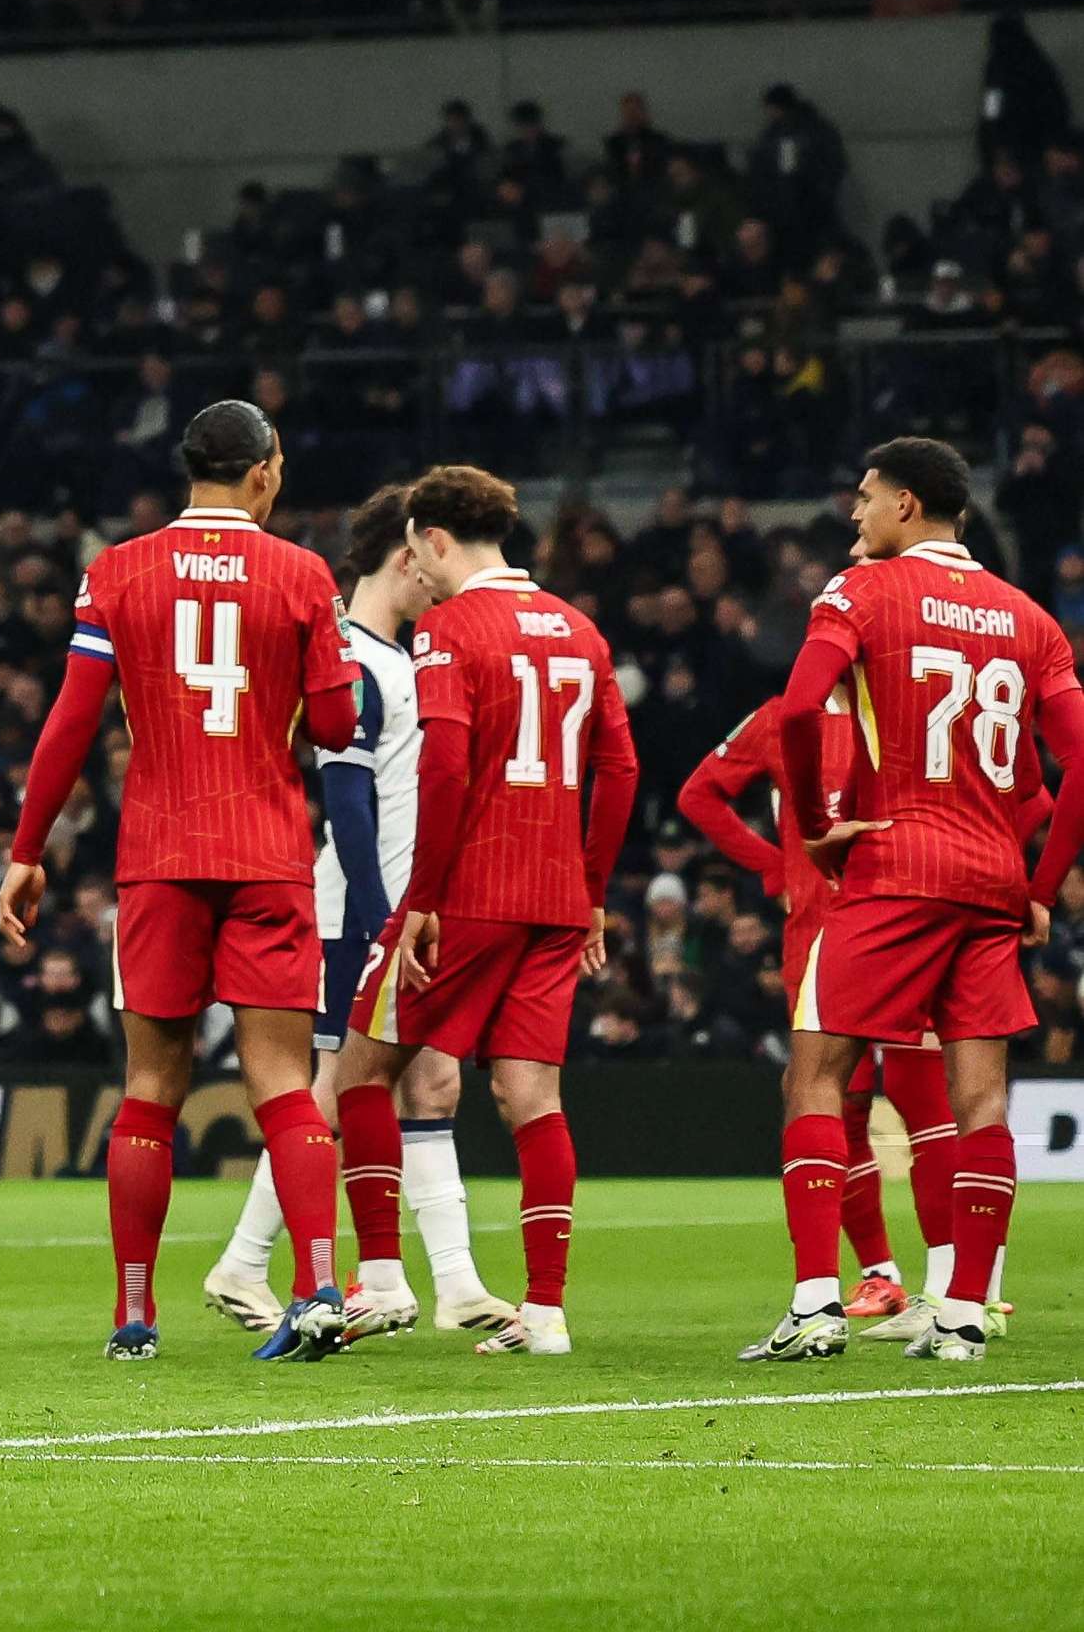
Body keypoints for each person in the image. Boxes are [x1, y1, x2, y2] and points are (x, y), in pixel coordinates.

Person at [0, 399, 359, 1362]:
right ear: (265, 471)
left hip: (157, 856)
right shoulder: (303, 574)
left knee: (151, 1085)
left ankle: (133, 1316)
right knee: (282, 1080)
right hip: (268, 852)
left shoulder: (116, 573)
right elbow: (332, 724)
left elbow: (71, 721)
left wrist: (28, 848)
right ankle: (321, 1285)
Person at [761, 440, 1084, 1367]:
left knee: (815, 1076)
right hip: (988, 884)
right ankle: (967, 1312)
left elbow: (796, 709)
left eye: (863, 499)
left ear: (907, 504)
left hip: (892, 869)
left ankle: (819, 1302)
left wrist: (822, 822)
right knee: (981, 1101)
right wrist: (1036, 884)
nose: (853, 515)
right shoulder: (1029, 618)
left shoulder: (858, 592)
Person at [199, 483, 504, 1343]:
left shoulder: (398, 658)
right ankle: (253, 1262)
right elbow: (348, 800)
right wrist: (378, 917)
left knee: (428, 1082)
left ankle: (455, 1283)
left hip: (403, 910)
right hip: (358, 915)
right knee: (331, 1091)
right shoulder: (355, 659)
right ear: (409, 556)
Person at [365, 464, 632, 1358]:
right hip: (556, 898)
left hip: (472, 892)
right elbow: (621, 770)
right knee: (533, 1097)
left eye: (415, 551)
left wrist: (423, 898)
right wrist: (592, 890)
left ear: (436, 538)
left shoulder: (448, 630)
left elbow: (443, 767)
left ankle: (376, 1283)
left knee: (362, 1069)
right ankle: (545, 1313)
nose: (417, 572)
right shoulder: (581, 631)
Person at [689, 623, 962, 1354]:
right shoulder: (907, 714)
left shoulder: (790, 716)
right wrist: (772, 863)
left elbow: (700, 793)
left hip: (832, 936)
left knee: (827, 1094)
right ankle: (931, 1286)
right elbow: (699, 795)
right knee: (895, 1099)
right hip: (904, 925)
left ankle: (873, 1288)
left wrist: (778, 866)